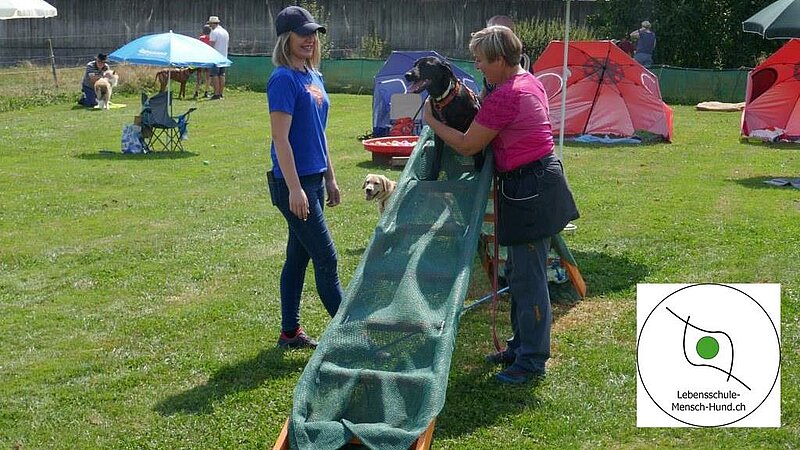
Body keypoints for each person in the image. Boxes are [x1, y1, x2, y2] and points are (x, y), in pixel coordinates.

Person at [423, 25, 579, 384]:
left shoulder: (508, 95)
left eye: (480, 60)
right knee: (520, 276)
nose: (477, 67)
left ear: (498, 58)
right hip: (533, 183)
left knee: (529, 279)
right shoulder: (527, 80)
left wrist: (432, 121)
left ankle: (532, 360)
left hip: (530, 190)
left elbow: (466, 144)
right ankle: (519, 346)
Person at [266, 5, 343, 349]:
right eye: (303, 33)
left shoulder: (313, 76)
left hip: (313, 179)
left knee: (298, 257)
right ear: (287, 38)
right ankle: (350, 335)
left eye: (314, 33)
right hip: (292, 184)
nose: (310, 39)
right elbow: (280, 138)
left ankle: (289, 332)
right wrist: (295, 188)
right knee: (327, 258)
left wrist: (330, 178)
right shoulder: (283, 78)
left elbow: (319, 133)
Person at [207, 15, 230, 100]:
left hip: (216, 56)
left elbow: (212, 45)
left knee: (215, 75)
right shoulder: (225, 32)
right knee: (222, 74)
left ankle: (216, 93)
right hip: (224, 56)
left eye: (210, 24)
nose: (210, 26)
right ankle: (221, 93)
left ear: (213, 24)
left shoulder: (214, 32)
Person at [194, 24, 213, 99]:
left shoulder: (200, 38)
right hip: (208, 59)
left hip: (201, 59)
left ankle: (196, 91)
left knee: (199, 76)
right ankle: (206, 91)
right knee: (207, 77)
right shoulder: (211, 38)